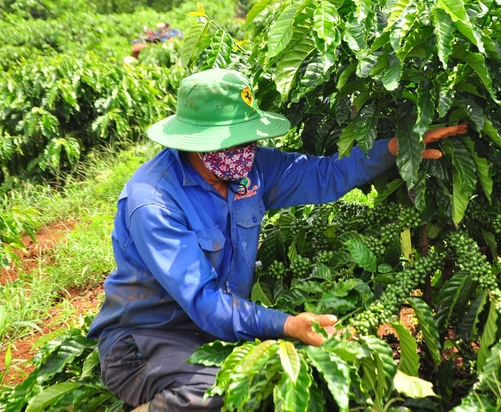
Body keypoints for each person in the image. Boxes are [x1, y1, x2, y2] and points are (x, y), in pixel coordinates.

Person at [87, 69, 467, 411]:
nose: (245, 150)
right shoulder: (153, 201)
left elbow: (325, 175)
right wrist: (287, 325)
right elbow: (204, 302)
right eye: (232, 142)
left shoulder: (251, 169)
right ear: (195, 142)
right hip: (146, 338)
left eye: (247, 138)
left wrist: (392, 148)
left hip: (213, 327)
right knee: (217, 395)